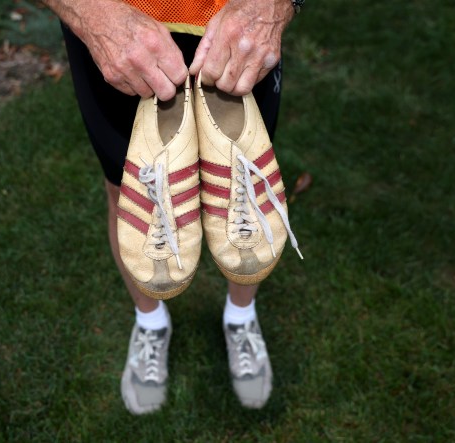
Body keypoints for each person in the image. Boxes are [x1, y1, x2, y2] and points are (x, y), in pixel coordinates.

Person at [42, 0, 300, 414]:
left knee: (245, 183)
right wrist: (89, 13)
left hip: (238, 17)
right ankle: (150, 322)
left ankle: (241, 316)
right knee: (131, 192)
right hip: (116, 20)